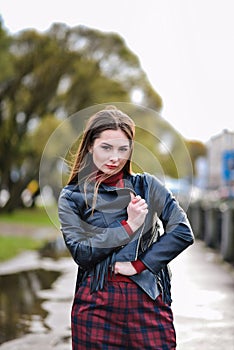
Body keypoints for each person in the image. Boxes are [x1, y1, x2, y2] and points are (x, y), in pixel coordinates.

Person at [58, 106, 194, 349]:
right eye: (106, 148)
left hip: (147, 301)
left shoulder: (148, 186)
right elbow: (82, 253)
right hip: (96, 305)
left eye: (123, 149)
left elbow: (182, 231)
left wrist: (139, 265)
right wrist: (128, 227)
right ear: (90, 145)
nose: (115, 157)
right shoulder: (72, 196)